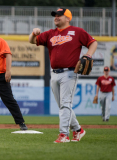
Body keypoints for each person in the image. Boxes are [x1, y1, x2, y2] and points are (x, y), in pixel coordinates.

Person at [29, 8, 98, 143]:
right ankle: (78, 130)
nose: (56, 17)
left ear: (68, 18)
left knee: (65, 104)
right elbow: (32, 41)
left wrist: (88, 54)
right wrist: (33, 33)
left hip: (70, 73)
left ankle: (63, 134)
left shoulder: (77, 32)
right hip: (54, 73)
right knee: (63, 106)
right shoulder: (50, 33)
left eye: (59, 15)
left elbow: (93, 43)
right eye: (55, 15)